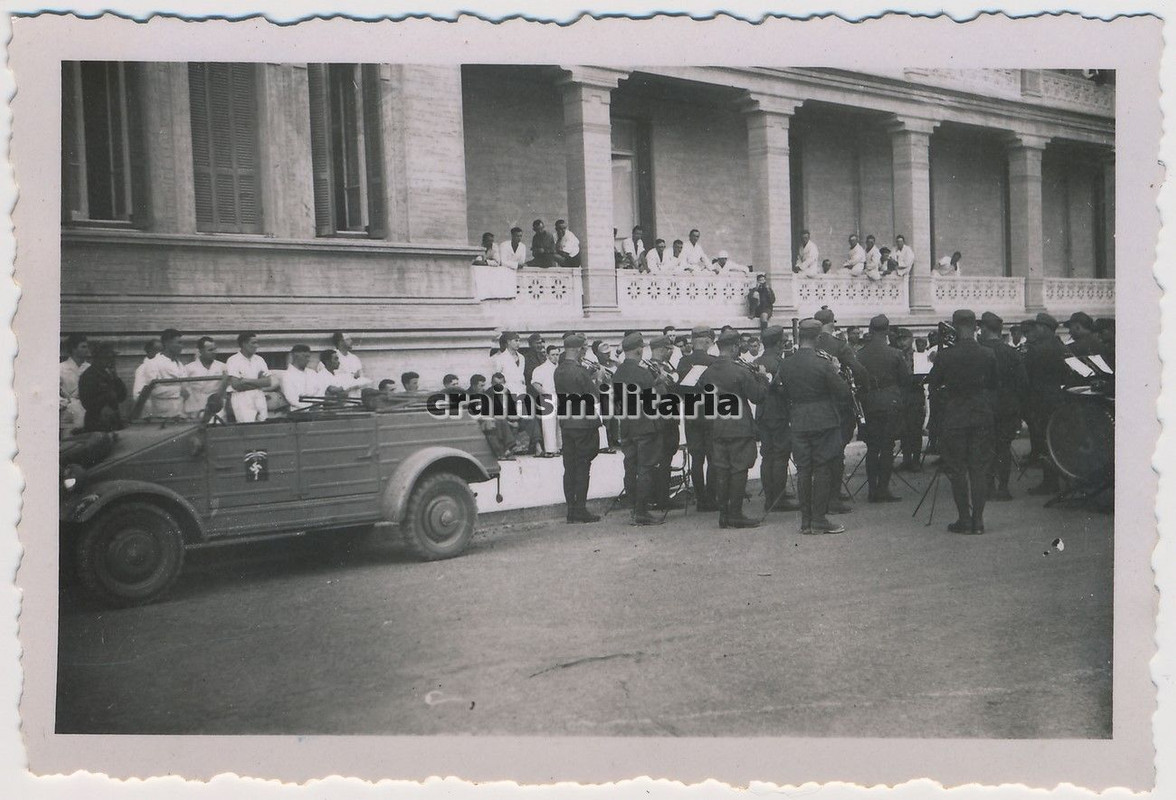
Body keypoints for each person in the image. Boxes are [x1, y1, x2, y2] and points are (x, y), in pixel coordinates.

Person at [775, 319, 852, 535]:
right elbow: (843, 393)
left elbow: (781, 391)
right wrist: (836, 371)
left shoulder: (786, 363)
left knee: (803, 470)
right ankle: (819, 519)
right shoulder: (824, 363)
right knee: (822, 469)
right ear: (818, 338)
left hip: (798, 420)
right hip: (823, 421)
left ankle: (806, 521)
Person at [927, 309, 998, 534]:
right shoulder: (988, 353)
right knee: (979, 469)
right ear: (976, 326)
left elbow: (933, 385)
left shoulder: (946, 356)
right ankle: (979, 522)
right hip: (981, 414)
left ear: (955, 326)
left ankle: (964, 520)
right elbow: (994, 384)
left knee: (957, 470)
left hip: (955, 415)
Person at [700, 329, 768, 528]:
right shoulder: (740, 370)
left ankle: (724, 515)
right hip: (739, 427)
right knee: (739, 469)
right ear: (734, 347)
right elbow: (757, 396)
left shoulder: (708, 372)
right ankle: (736, 514)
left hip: (718, 426)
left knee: (722, 470)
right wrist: (762, 378)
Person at [814, 306, 870, 514]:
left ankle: (821, 493)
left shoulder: (809, 344)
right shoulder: (839, 345)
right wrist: (865, 386)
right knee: (837, 451)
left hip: (815, 406)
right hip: (838, 405)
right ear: (832, 323)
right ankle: (833, 496)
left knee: (819, 452)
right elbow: (858, 370)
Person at [855, 315, 911, 502]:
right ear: (887, 331)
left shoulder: (860, 354)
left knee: (872, 447)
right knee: (887, 447)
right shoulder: (895, 354)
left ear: (870, 330)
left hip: (869, 403)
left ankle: (872, 490)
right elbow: (905, 379)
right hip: (890, 402)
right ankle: (883, 489)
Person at [613, 333, 667, 526]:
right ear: (638, 350)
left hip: (627, 426)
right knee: (645, 468)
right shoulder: (642, 373)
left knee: (630, 467)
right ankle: (642, 511)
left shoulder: (618, 372)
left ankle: (633, 509)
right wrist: (660, 383)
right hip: (644, 426)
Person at [979, 312, 1028, 501]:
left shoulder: (980, 351)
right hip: (1008, 406)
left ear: (984, 329)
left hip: (985, 406)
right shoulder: (1011, 352)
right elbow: (1023, 382)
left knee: (986, 448)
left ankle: (989, 487)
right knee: (1004, 448)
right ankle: (1003, 488)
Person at [553, 333, 602, 523]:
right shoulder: (580, 371)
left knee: (569, 467)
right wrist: (597, 378)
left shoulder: (558, 370)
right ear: (578, 349)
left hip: (567, 422)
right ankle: (580, 509)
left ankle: (571, 510)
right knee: (583, 467)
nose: (585, 352)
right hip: (583, 424)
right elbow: (594, 395)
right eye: (584, 349)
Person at [1024, 312, 1071, 496]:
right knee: (1058, 440)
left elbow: (1026, 376)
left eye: (1037, 327)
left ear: (1043, 328)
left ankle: (1049, 482)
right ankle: (1063, 478)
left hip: (1040, 400)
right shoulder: (1062, 347)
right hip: (1059, 398)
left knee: (1044, 440)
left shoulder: (1036, 350)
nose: (1035, 330)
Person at [755, 325, 797, 513]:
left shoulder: (757, 361)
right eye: (783, 342)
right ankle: (778, 499)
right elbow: (785, 389)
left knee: (767, 455)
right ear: (778, 343)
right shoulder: (780, 363)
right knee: (780, 455)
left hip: (762, 413)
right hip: (779, 413)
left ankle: (770, 497)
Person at [677, 326, 718, 512]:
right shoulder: (713, 362)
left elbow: (679, 389)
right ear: (708, 341)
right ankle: (711, 497)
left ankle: (701, 499)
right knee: (712, 457)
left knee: (696, 458)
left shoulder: (683, 362)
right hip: (710, 412)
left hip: (691, 412)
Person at [648, 335, 685, 511]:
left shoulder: (668, 367)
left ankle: (663, 496)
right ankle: (659, 498)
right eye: (669, 349)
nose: (671, 352)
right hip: (660, 419)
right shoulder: (650, 368)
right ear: (661, 349)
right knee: (660, 459)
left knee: (667, 457)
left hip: (671, 418)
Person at [894, 327, 927, 473]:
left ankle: (916, 460)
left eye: (905, 339)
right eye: (899, 340)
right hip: (901, 394)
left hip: (915, 394)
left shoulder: (919, 356)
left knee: (915, 428)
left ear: (911, 339)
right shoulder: (895, 356)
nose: (902, 343)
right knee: (904, 429)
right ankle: (906, 459)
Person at [77, 341, 126, 432]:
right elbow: (87, 402)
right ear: (98, 358)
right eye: (108, 357)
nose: (112, 360)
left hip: (113, 423)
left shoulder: (108, 374)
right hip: (97, 423)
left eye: (112, 357)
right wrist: (107, 397)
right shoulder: (88, 375)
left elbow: (122, 396)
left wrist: (115, 377)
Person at [141, 328, 189, 419]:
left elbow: (186, 388)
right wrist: (178, 390)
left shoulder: (180, 364)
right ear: (167, 343)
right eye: (178, 343)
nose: (181, 346)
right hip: (162, 415)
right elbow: (153, 390)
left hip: (180, 413)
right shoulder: (153, 363)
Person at [226, 332, 271, 423]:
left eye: (257, 343)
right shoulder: (233, 360)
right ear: (244, 344)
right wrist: (258, 382)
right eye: (253, 343)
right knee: (247, 426)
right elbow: (236, 384)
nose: (256, 346)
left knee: (264, 425)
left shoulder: (259, 360)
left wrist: (245, 380)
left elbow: (267, 382)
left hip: (259, 395)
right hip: (242, 398)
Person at [185, 336, 227, 420]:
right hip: (196, 406)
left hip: (216, 405)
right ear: (201, 351)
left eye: (215, 349)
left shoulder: (222, 366)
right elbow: (185, 389)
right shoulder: (189, 368)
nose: (214, 352)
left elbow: (225, 388)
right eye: (210, 350)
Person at [531, 344, 562, 456]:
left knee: (560, 424)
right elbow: (535, 383)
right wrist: (545, 394)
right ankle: (550, 449)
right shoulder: (541, 369)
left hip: (560, 396)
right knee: (548, 424)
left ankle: (559, 448)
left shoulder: (561, 368)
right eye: (553, 355)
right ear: (547, 355)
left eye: (557, 354)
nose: (555, 357)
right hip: (547, 397)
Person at [59, 333, 90, 434]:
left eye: (87, 346)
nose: (87, 350)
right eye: (83, 347)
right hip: (68, 413)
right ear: (73, 349)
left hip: (88, 412)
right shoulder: (60, 368)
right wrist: (65, 403)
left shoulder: (90, 368)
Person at [281, 344, 324, 411]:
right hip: (298, 411)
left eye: (308, 357)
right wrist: (310, 407)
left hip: (317, 409)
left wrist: (316, 404)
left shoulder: (312, 373)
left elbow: (320, 390)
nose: (308, 360)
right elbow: (292, 399)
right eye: (305, 357)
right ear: (295, 356)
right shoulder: (287, 376)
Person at [329, 332, 368, 396]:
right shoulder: (331, 357)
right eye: (348, 339)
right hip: (340, 397)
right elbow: (331, 378)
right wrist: (352, 377)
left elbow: (361, 377)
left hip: (355, 395)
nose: (351, 341)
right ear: (340, 342)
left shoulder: (354, 358)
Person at [131, 338, 162, 405]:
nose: (159, 354)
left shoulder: (163, 365)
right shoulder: (142, 368)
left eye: (161, 351)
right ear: (149, 351)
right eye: (156, 350)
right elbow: (137, 394)